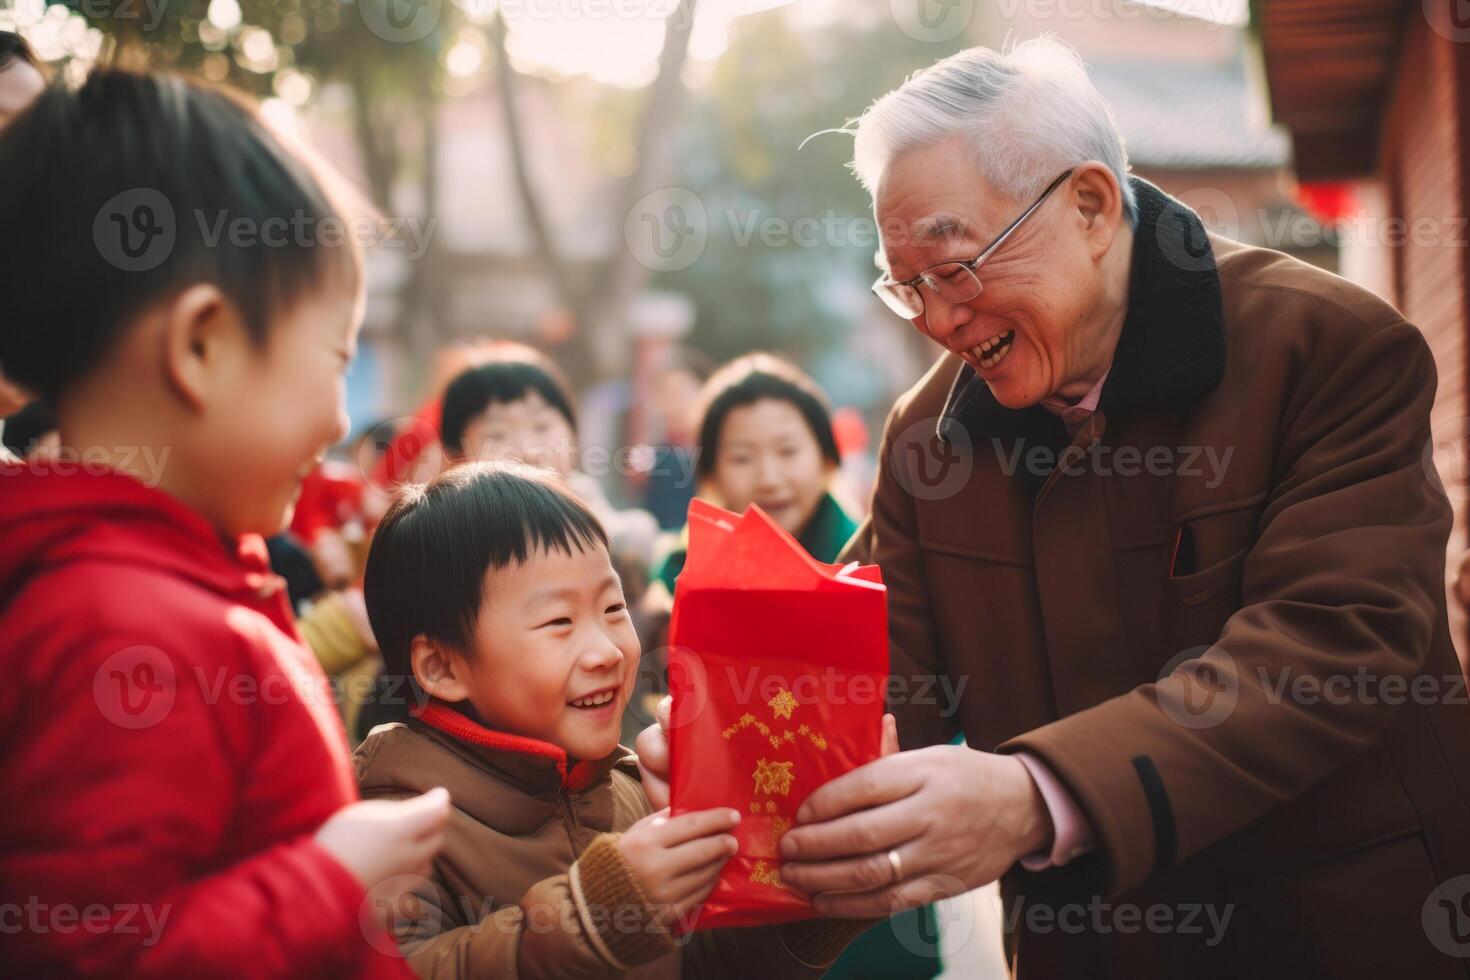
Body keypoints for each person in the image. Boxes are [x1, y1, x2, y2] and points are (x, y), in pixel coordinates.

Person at [640, 38, 1470, 979]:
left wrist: (1039, 795)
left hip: (1340, 929)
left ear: (1089, 205)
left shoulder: (1324, 346)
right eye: (905, 287)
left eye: (955, 270)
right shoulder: (930, 444)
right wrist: (731, 753)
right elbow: (863, 683)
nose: (940, 323)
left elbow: (1336, 643)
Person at [0, 69, 450, 975]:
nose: (335, 423)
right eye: (332, 361)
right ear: (200, 345)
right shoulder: (126, 629)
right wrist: (330, 879)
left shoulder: (161, 584)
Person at [355, 461, 870, 976]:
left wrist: (818, 905)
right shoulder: (396, 827)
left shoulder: (631, 794)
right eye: (559, 621)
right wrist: (595, 914)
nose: (607, 651)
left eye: (613, 608)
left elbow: (701, 967)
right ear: (442, 667)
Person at [649, 354, 859, 598]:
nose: (768, 480)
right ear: (710, 474)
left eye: (788, 451)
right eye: (742, 458)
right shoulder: (675, 582)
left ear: (827, 458)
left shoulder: (872, 561)